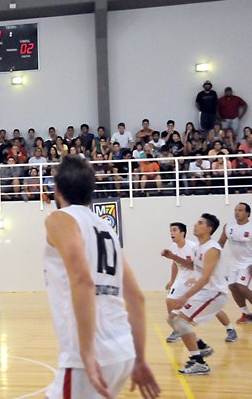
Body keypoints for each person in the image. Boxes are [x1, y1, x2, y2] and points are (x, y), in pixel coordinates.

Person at [44, 155, 159, 399]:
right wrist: (139, 359)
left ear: (57, 189)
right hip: (123, 352)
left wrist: (86, 351)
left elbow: (82, 279)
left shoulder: (60, 218)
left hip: (87, 358)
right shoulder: (106, 228)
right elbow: (136, 297)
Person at [167, 213, 236, 374]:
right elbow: (192, 266)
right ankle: (200, 348)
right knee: (173, 319)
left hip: (213, 294)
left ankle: (199, 362)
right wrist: (173, 257)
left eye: (200, 223)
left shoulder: (212, 249)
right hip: (205, 293)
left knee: (179, 321)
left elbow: (205, 278)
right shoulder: (199, 247)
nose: (195, 225)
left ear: (208, 229)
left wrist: (184, 296)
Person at [218, 202, 252, 324]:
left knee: (241, 286)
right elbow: (221, 242)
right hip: (233, 264)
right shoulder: (229, 226)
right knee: (232, 286)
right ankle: (246, 313)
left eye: (240, 210)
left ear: (247, 213)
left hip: (248, 263)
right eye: (236, 210)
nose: (237, 212)